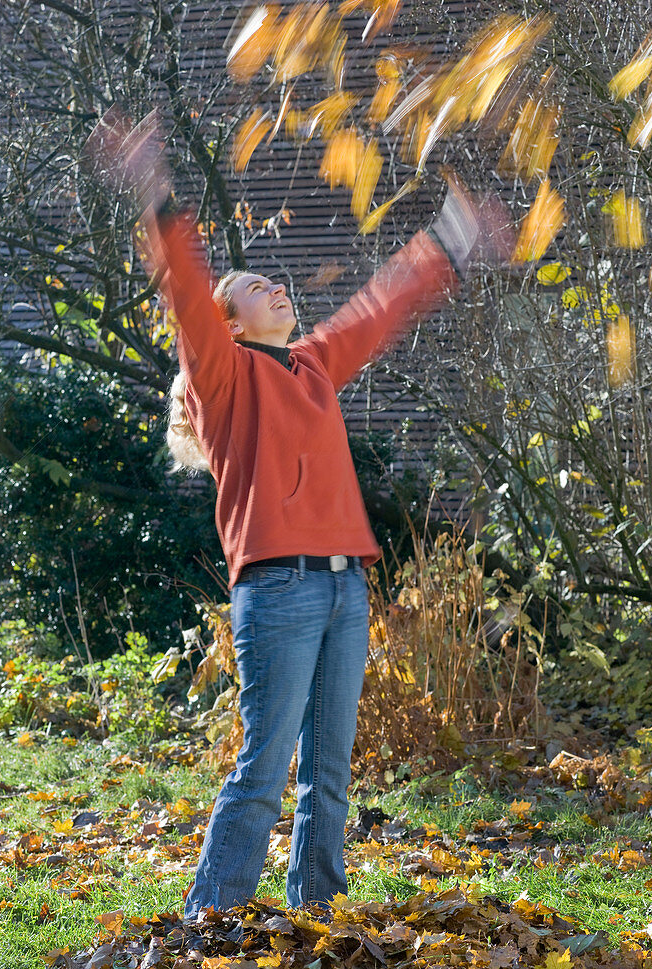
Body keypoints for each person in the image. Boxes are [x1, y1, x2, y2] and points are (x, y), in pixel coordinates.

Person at [85, 111, 512, 919]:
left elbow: (377, 310)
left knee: (330, 771)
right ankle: (209, 925)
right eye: (253, 288)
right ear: (234, 324)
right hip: (278, 591)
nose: (273, 286)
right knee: (264, 765)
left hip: (347, 588)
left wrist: (452, 238)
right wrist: (156, 191)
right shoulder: (225, 379)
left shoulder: (313, 364)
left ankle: (322, 919)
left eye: (271, 281)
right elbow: (186, 291)